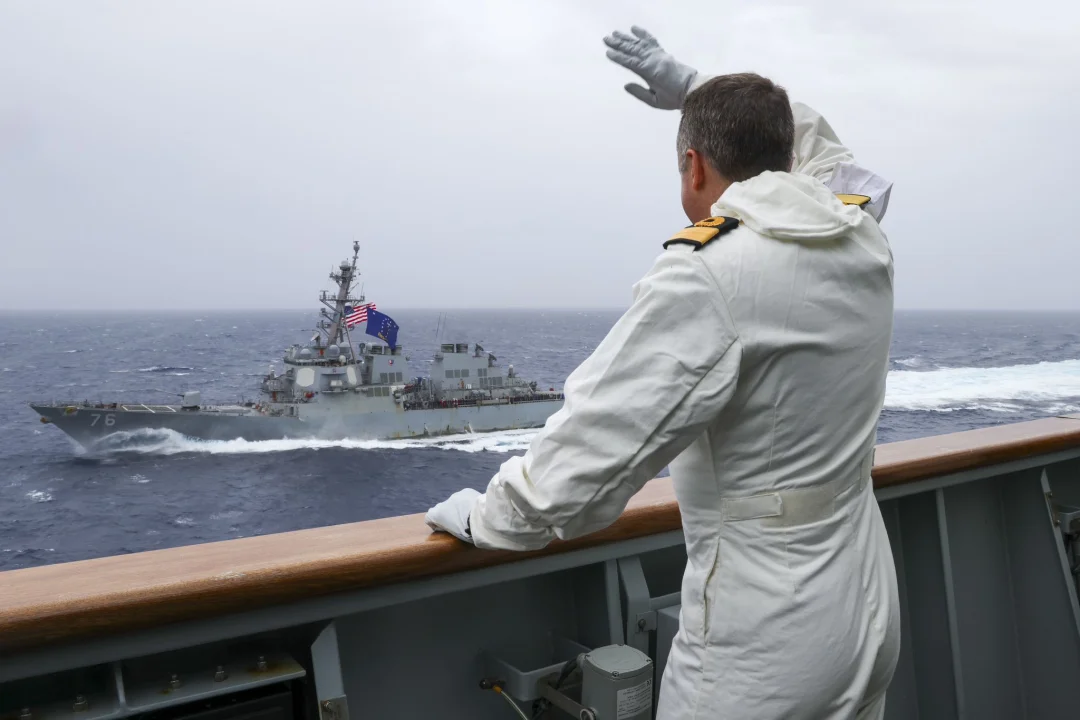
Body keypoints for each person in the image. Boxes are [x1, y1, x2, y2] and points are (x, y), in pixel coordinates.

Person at [426, 27, 900, 719]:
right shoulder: (861, 234)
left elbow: (586, 459)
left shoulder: (711, 271)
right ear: (784, 155)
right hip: (865, 613)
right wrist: (698, 92)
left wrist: (485, 518)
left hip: (766, 645)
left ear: (693, 166)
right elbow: (829, 157)